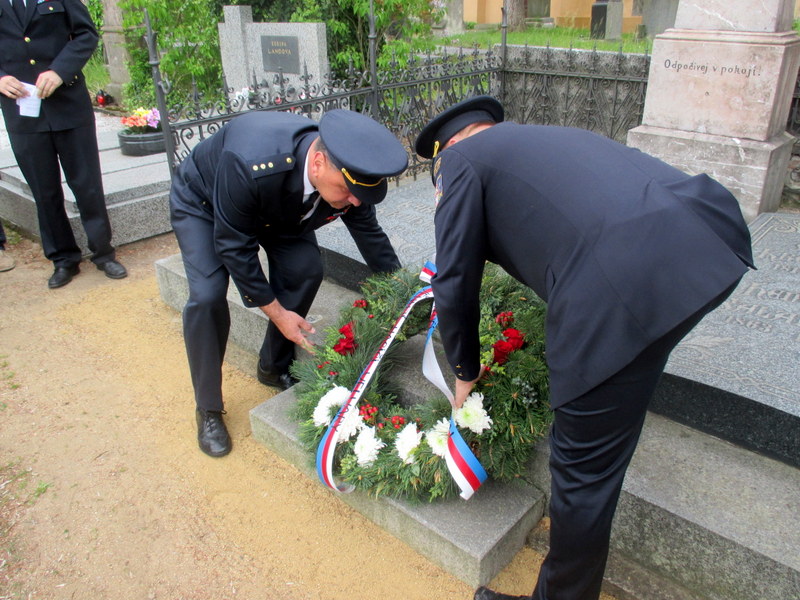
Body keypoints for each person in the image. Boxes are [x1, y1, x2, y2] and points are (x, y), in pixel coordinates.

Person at [414, 96, 754, 600]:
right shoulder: (542, 138)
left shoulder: (462, 160)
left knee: (584, 474)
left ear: (452, 147)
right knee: (617, 404)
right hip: (710, 235)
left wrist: (464, 371)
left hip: (617, 285)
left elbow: (455, 280)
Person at [170, 108, 408, 458]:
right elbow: (235, 248)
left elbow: (370, 235)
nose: (355, 201)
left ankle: (273, 366)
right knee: (207, 295)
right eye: (347, 191)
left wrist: (405, 293)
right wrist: (279, 313)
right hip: (205, 203)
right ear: (318, 164)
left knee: (305, 268)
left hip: (277, 208)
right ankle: (208, 408)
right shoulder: (252, 162)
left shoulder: (348, 176)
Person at [0, 0, 126, 289]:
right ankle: (63, 259)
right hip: (22, 112)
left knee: (86, 183)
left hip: (69, 105)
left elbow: (86, 34)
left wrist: (60, 70)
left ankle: (103, 253)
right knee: (44, 190)